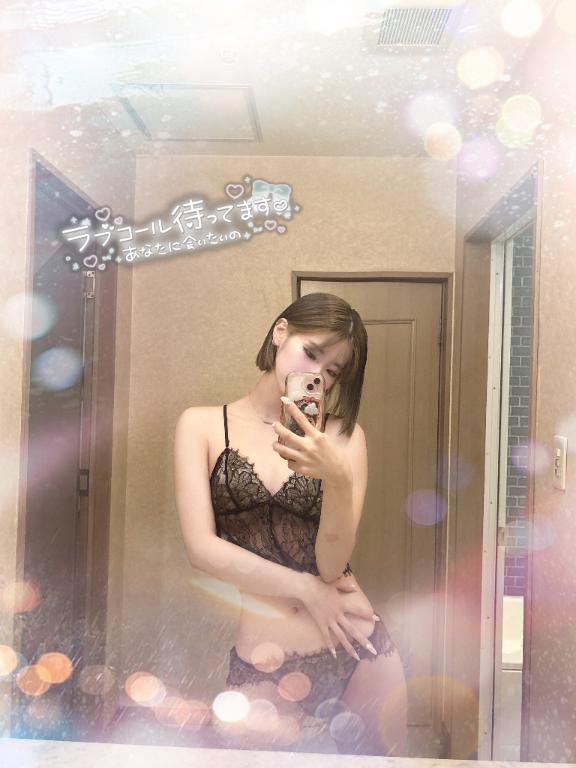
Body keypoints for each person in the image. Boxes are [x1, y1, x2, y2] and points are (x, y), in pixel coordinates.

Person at [174, 292, 407, 754]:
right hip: (264, 657)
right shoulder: (201, 425)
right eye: (311, 353)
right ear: (281, 333)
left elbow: (331, 564)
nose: (317, 373)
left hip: (358, 647)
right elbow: (201, 549)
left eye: (333, 371)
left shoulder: (344, 437)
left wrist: (337, 477)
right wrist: (306, 590)